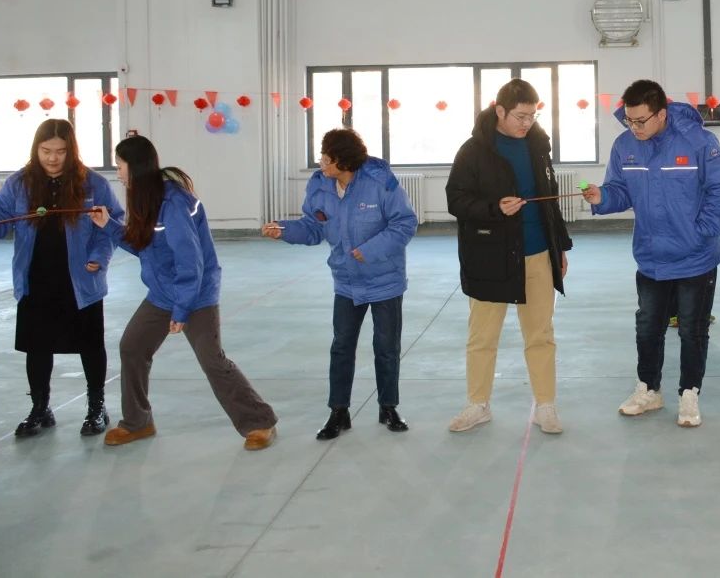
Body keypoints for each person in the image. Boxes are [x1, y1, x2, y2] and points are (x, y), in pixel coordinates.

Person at [90, 136, 278, 450]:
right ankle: (138, 422)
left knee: (211, 360)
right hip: (163, 292)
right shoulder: (144, 198)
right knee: (132, 347)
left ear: (134, 167)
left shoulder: (174, 203)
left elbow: (190, 262)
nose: (117, 172)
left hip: (196, 293)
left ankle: (260, 422)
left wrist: (181, 310)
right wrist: (108, 225)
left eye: (119, 165)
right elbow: (143, 246)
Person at [581, 79, 720, 428]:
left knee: (692, 330)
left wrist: (703, 231)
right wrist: (602, 197)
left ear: (661, 114)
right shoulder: (625, 146)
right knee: (648, 328)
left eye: (640, 121)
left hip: (695, 257)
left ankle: (689, 393)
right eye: (629, 120)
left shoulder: (698, 142)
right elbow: (620, 190)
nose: (634, 127)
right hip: (651, 257)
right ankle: (649, 389)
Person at [0, 118, 123, 438]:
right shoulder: (20, 182)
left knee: (90, 344)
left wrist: (98, 258)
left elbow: (112, 224)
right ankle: (40, 407)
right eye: (46, 151)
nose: (52, 158)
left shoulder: (93, 184)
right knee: (37, 345)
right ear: (36, 149)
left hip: (81, 279)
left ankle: (96, 407)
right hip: (36, 277)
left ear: (71, 150)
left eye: (60, 151)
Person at [261, 128, 417, 439]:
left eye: (326, 158)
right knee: (342, 346)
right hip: (346, 281)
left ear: (343, 162)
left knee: (386, 347)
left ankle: (388, 407)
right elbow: (313, 227)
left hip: (385, 280)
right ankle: (339, 411)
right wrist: (284, 231)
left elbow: (405, 223)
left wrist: (370, 250)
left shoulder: (381, 183)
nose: (321, 163)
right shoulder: (319, 185)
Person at [445, 79, 573, 435]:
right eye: (520, 116)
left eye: (532, 116)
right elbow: (456, 200)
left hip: (538, 253)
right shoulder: (474, 150)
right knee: (482, 337)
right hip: (490, 257)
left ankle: (545, 406)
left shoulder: (539, 146)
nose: (527, 123)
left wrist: (560, 246)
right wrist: (494, 208)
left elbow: (550, 198)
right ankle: (478, 404)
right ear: (499, 111)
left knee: (541, 334)